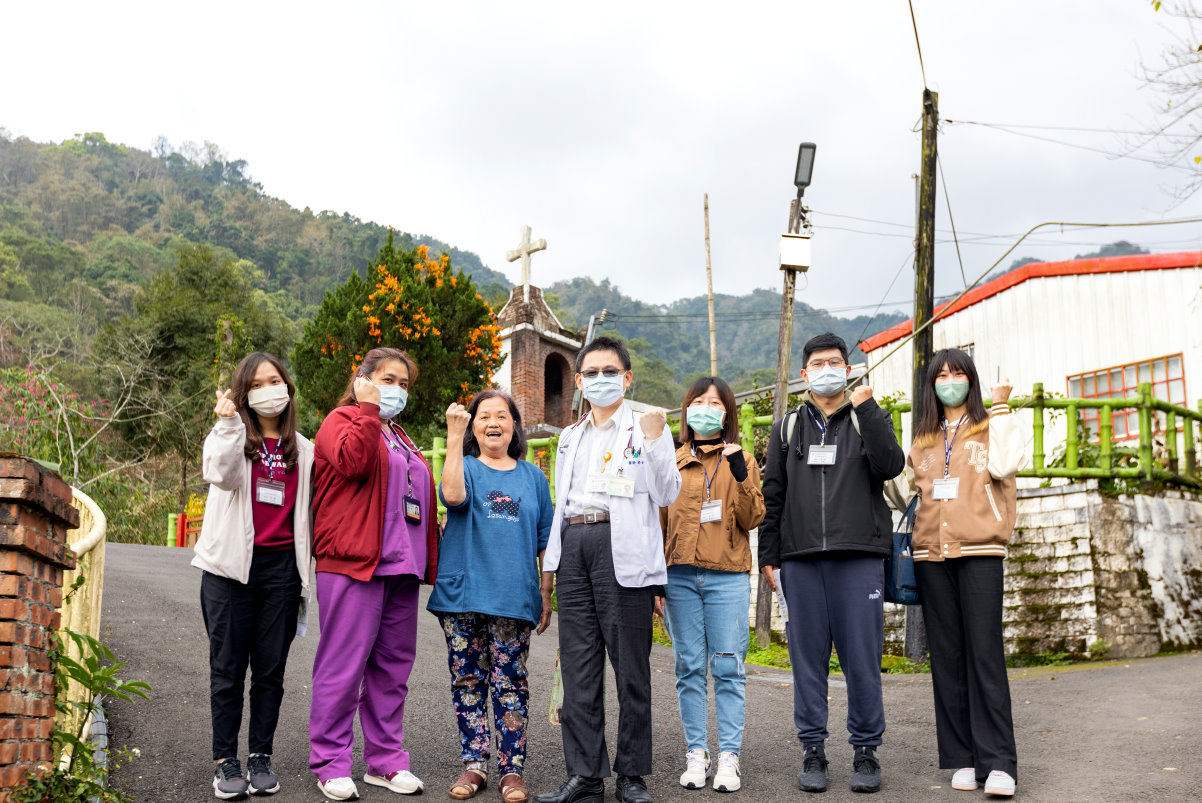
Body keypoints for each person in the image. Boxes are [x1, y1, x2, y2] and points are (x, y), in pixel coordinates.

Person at [535, 336, 682, 803]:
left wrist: (658, 441)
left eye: (610, 371)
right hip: (575, 543)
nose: (601, 379)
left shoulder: (647, 428)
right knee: (578, 668)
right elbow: (561, 503)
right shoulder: (569, 437)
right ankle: (585, 775)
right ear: (578, 381)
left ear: (627, 377)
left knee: (631, 669)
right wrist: (551, 569)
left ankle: (632, 775)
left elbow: (666, 493)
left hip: (622, 549)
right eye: (592, 373)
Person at [759, 332, 906, 795]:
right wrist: (769, 557)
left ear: (848, 369)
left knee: (862, 659)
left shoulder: (868, 419)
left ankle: (866, 750)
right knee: (807, 661)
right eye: (818, 363)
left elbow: (890, 465)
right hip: (800, 561)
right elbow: (773, 495)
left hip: (859, 557)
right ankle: (813, 750)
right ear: (805, 374)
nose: (828, 369)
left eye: (836, 362)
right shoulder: (787, 429)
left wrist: (867, 407)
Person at [309, 347, 440, 801]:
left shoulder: (401, 436)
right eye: (388, 380)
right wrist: (366, 408)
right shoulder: (341, 421)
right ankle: (330, 762)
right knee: (343, 666)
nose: (397, 391)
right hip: (353, 563)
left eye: (404, 384)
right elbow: (354, 463)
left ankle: (384, 761)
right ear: (362, 378)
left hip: (401, 568)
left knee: (392, 670)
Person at [192, 351, 313, 800]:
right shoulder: (229, 438)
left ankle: (261, 755)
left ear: (288, 387)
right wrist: (226, 425)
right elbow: (219, 475)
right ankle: (226, 761)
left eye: (275, 381)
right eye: (257, 384)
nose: (269, 390)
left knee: (270, 672)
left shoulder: (305, 449)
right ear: (244, 394)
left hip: (281, 571)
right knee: (227, 670)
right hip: (229, 572)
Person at [906, 349, 1023, 798]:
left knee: (984, 654)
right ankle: (962, 758)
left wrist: (1001, 405)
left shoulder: (991, 424)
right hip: (930, 556)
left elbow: (1007, 465)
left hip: (980, 550)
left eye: (957, 373)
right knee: (948, 658)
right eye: (941, 375)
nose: (949, 380)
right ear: (931, 385)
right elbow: (904, 491)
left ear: (971, 380)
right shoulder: (923, 436)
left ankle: (998, 763)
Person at [428, 390, 555, 803]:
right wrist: (452, 436)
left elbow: (545, 542)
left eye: (502, 415)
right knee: (467, 682)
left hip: (514, 597)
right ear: (473, 426)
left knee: (510, 684)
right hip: (463, 595)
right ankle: (475, 764)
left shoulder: (533, 477)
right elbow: (452, 498)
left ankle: (511, 771)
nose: (493, 422)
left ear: (514, 425)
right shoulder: (462, 466)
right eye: (484, 416)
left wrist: (548, 593)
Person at [659, 377, 765, 793]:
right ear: (686, 410)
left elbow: (753, 517)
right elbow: (658, 524)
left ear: (727, 413)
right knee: (688, 668)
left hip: (728, 578)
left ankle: (729, 757)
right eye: (698, 401)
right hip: (679, 576)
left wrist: (740, 475)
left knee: (728, 667)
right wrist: (656, 582)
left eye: (715, 402)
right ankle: (697, 753)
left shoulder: (744, 459)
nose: (706, 407)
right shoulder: (670, 460)